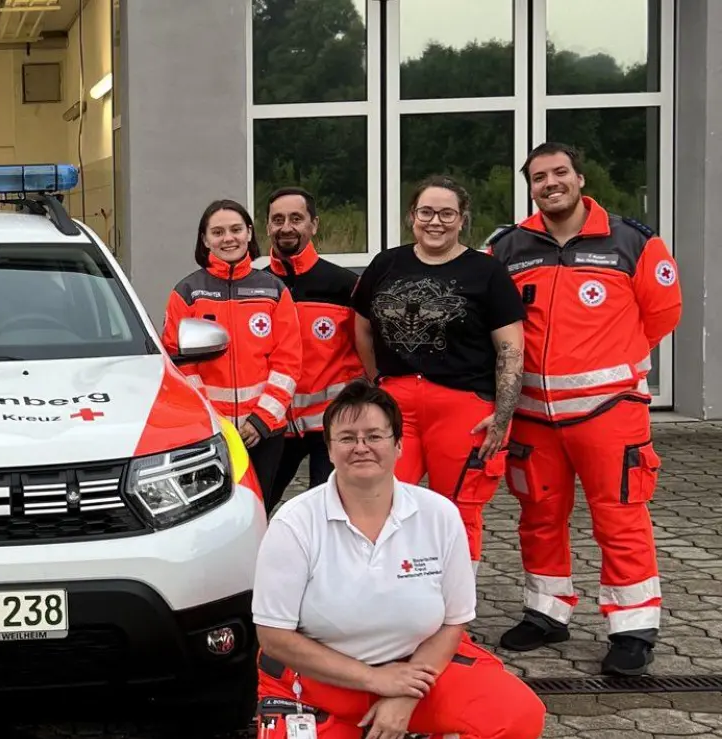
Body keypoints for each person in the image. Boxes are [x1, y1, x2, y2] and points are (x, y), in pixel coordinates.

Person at [250, 379, 545, 739]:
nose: (361, 447)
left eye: (374, 435)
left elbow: (452, 623)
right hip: (317, 686)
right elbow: (275, 638)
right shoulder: (293, 524)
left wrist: (404, 693)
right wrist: (378, 682)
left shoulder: (438, 515)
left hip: (418, 671)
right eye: (346, 438)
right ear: (329, 449)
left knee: (514, 717)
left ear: (399, 443)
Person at [487, 143, 684, 676]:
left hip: (608, 411)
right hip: (532, 414)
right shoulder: (507, 247)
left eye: (559, 173)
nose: (550, 183)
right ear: (529, 186)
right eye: (538, 177)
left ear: (580, 177)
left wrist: (610, 360)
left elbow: (663, 313)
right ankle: (546, 611)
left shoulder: (632, 242)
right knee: (539, 516)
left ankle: (632, 627)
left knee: (619, 517)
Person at [351, 176, 525, 566]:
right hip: (396, 404)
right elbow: (361, 324)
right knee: (384, 503)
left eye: (447, 213)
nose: (436, 221)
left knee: (459, 512)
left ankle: (455, 620)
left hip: (463, 407)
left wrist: (502, 416)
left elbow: (510, 348)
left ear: (462, 219)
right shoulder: (386, 263)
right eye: (426, 212)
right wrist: (378, 379)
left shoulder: (487, 272)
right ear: (412, 216)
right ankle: (392, 607)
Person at [164, 199, 302, 511]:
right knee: (206, 515)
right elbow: (180, 364)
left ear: (249, 233)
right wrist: (214, 422)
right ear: (204, 239)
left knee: (258, 511)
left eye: (236, 229)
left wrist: (261, 420)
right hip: (209, 434)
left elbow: (288, 363)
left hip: (263, 432)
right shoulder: (187, 292)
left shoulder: (273, 290)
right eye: (218, 231)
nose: (228, 238)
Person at [263, 186, 364, 503]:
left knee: (329, 510)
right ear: (268, 227)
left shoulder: (344, 285)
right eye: (277, 219)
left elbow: (368, 348)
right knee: (255, 505)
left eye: (296, 218)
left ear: (314, 224)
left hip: (332, 426)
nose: (286, 227)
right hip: (276, 423)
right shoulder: (258, 287)